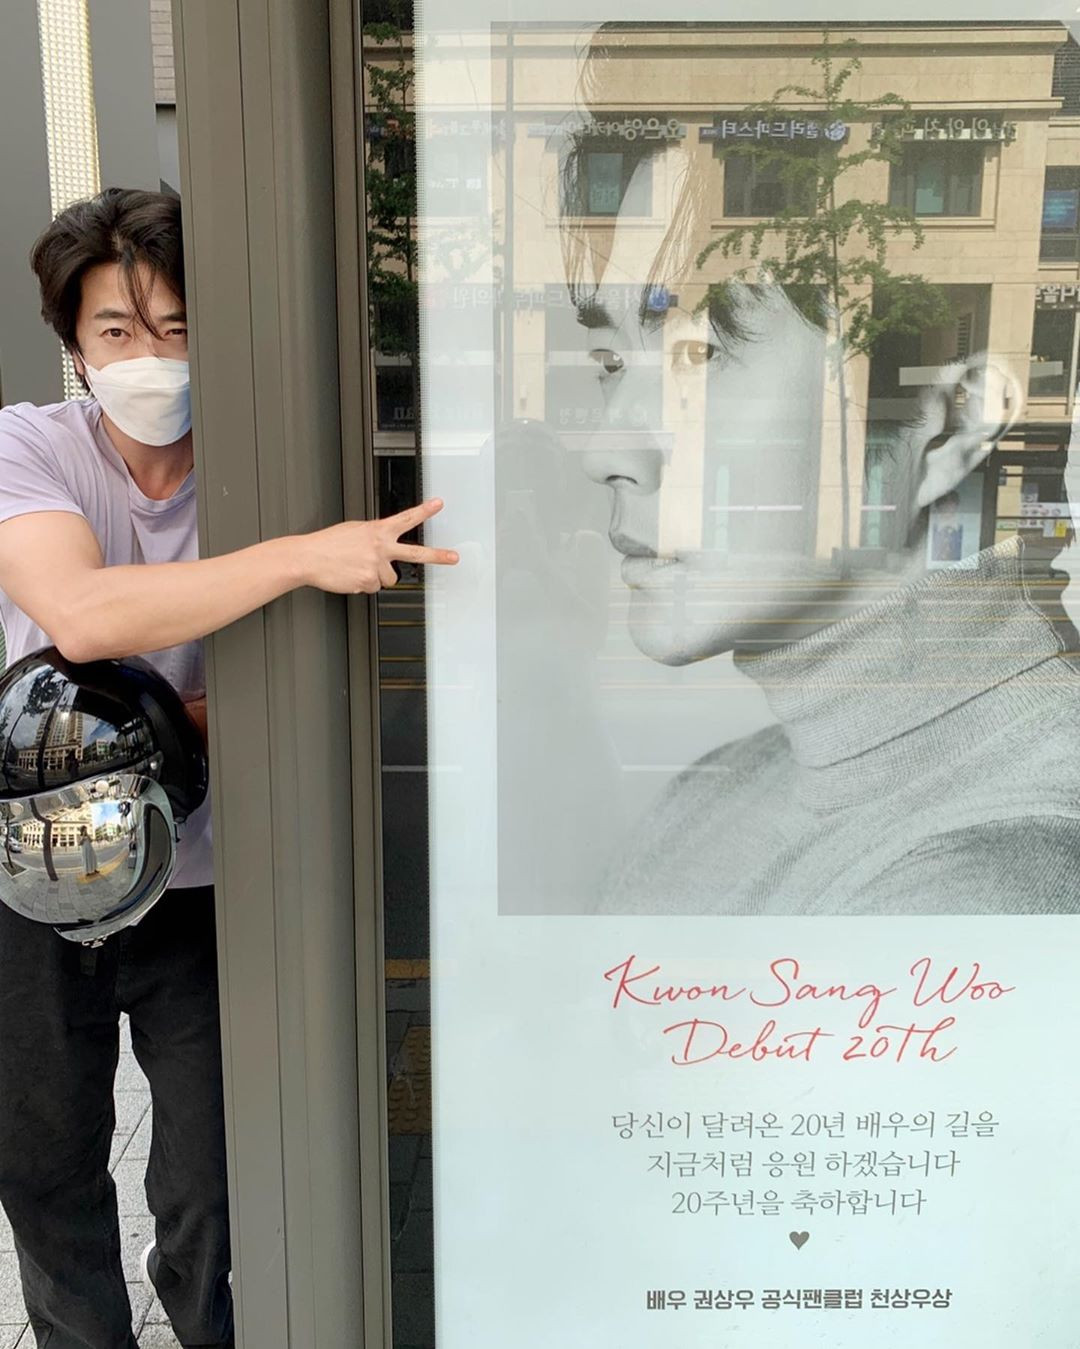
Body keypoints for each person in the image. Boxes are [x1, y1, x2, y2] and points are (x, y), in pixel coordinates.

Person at [0, 187, 458, 1349]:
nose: (149, 357)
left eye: (178, 327)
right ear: (74, 341)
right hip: (34, 878)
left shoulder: (258, 471)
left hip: (204, 880)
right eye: (117, 329)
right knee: (44, 1165)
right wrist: (299, 563)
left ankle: (207, 1325)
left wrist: (156, 716)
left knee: (211, 1171)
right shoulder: (27, 446)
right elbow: (79, 612)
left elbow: (284, 699)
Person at [538, 33, 1080, 917]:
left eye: (695, 354)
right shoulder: (717, 797)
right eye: (610, 361)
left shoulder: (982, 883)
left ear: (951, 424)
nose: (607, 448)